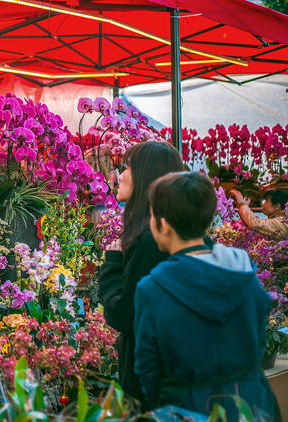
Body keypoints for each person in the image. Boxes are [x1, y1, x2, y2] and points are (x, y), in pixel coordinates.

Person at [135, 172, 276, 420]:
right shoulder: (244, 270)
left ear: (164, 224)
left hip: (190, 410)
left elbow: (149, 369)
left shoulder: (154, 288)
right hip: (252, 406)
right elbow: (260, 340)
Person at [98, 141, 187, 407]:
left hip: (152, 383)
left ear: (147, 176)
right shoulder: (171, 232)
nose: (119, 175)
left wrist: (112, 264)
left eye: (127, 167)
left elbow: (126, 314)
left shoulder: (152, 239)